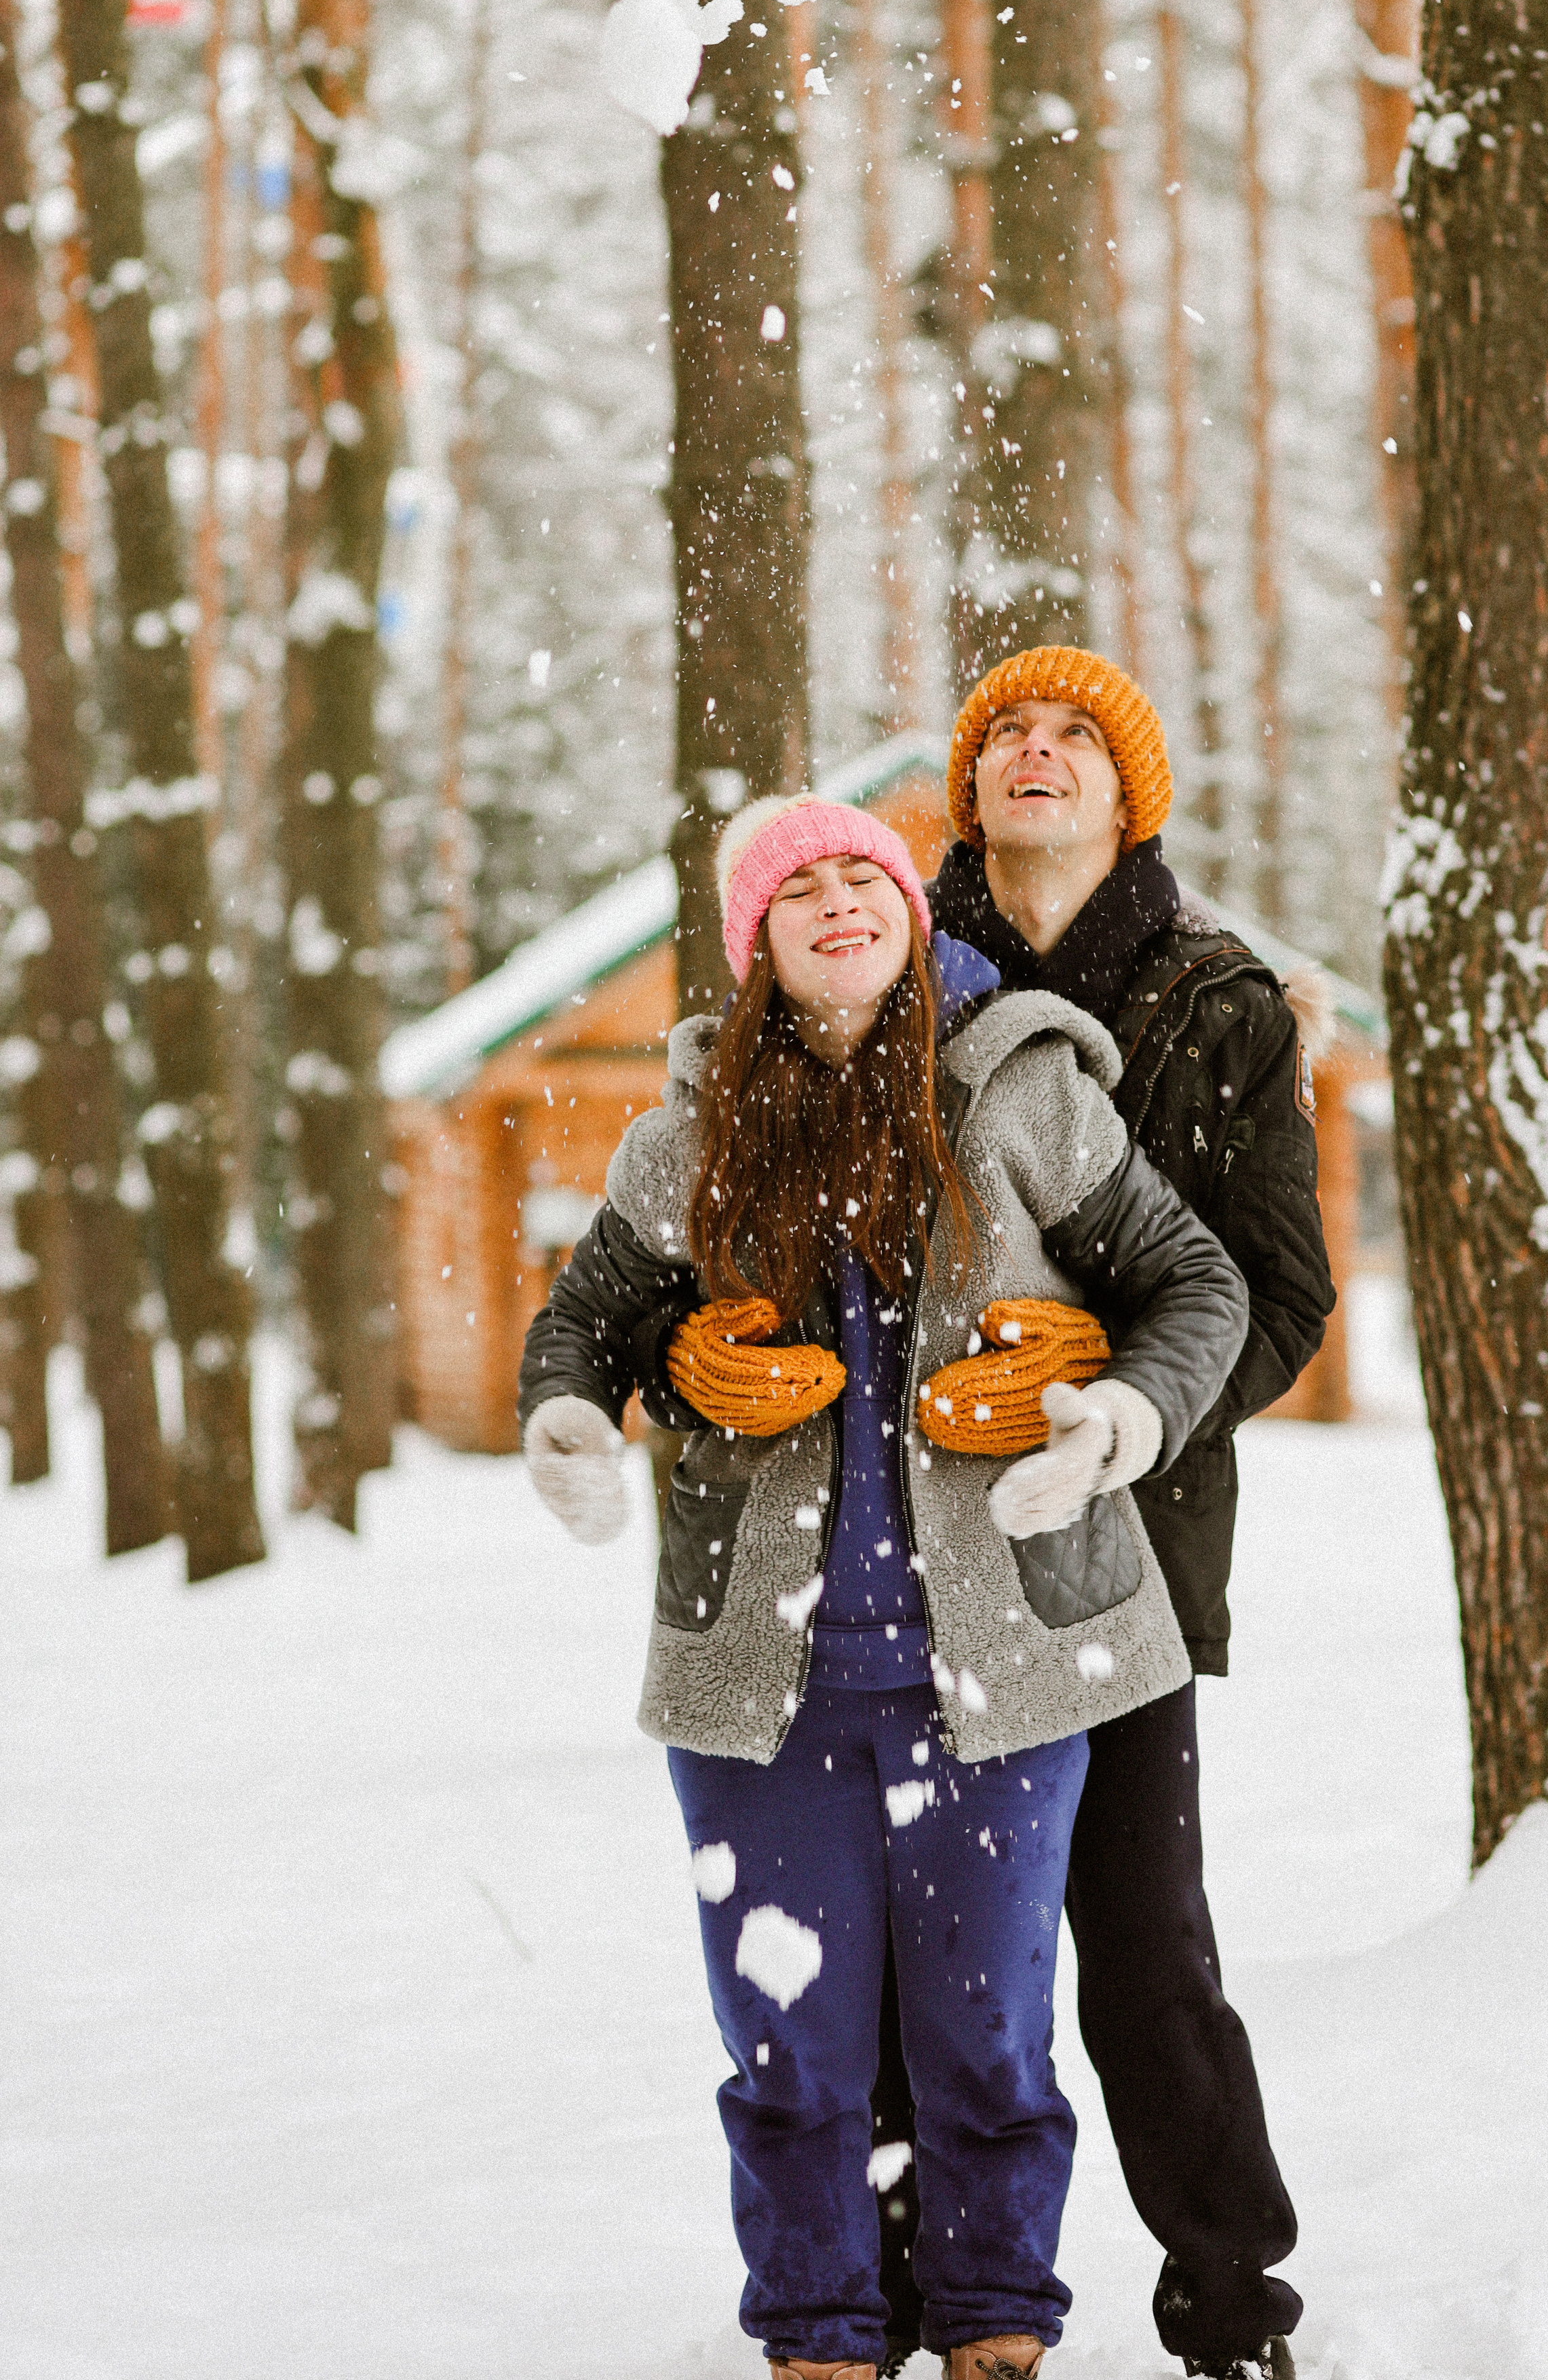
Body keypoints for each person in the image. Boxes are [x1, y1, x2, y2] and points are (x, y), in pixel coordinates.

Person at [518, 794, 1250, 2380]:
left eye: (865, 876)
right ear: (757, 948)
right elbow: (583, 1320)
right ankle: (818, 2338)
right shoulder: (687, 1140)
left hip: (1005, 1668)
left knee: (987, 2041)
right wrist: (579, 1413)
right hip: (755, 1685)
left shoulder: (1021, 1096)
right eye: (799, 893)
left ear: (912, 917)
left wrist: (1116, 1412)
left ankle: (994, 2327)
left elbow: (1194, 1280)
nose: (839, 903)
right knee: (788, 2051)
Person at [880, 647, 1337, 2380]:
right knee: (916, 1950)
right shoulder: (877, 971)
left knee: (1142, 1949)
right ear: (968, 784)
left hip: (1125, 1551)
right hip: (898, 1542)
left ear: (1126, 790)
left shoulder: (1224, 1001)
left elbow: (1277, 1299)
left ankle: (1230, 2304)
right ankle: (921, 2293)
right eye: (1004, 734)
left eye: (1073, 735)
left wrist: (1117, 1401)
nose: (1033, 754)